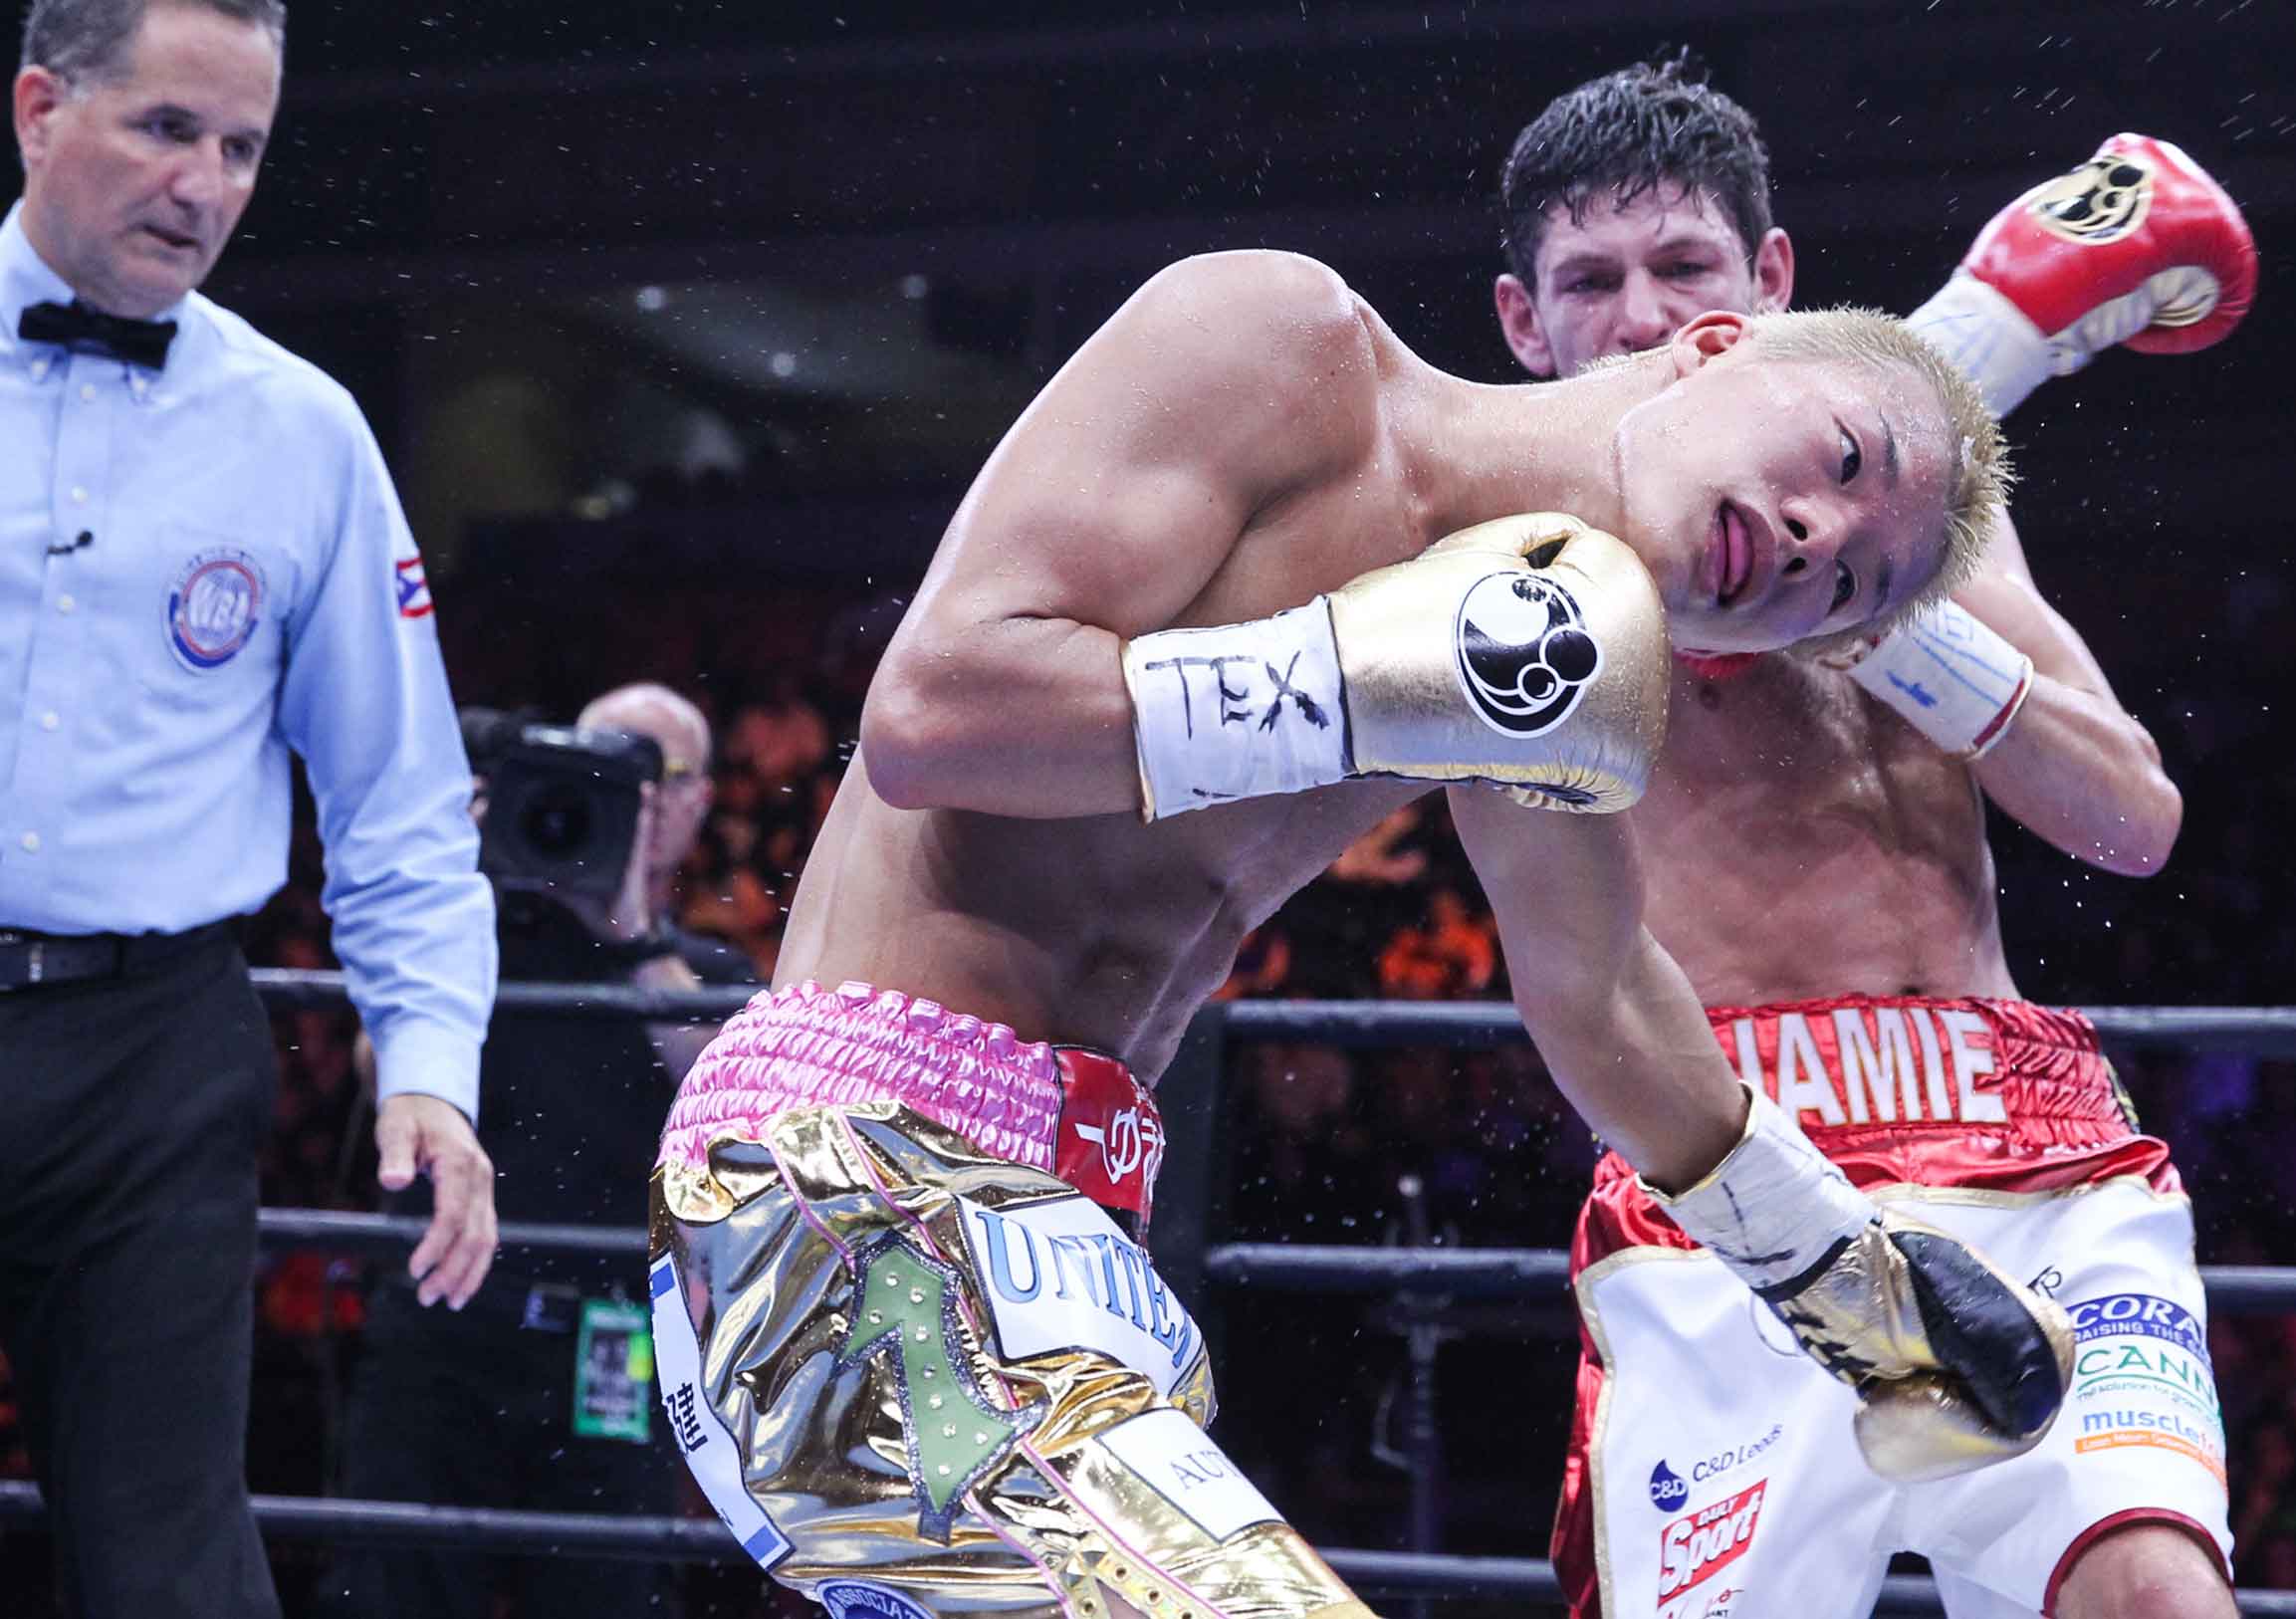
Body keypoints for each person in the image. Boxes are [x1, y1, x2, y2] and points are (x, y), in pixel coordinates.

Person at [649, 241, 2076, 1619]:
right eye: (1839, 457)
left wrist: (1853, 1287)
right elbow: (934, 716)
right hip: (850, 1179)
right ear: (1714, 346)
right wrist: (1351, 682)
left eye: (1842, 588)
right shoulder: (1278, 345)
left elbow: (1604, 1000)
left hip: (1069, 1231)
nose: (1816, 538)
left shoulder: (1555, 670)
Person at [1489, 61, 2257, 1619]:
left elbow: (2132, 817)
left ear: (1761, 283)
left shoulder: (1914, 499)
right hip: (1734, 1176)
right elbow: (1658, 615)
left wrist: (1882, 607)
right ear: (1525, 325)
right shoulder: (1504, 559)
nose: (1638, 316)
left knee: (2159, 1599)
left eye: (1682, 266)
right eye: (1590, 282)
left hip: (2027, 1136)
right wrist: (1992, 339)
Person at [0, 2, 498, 1613]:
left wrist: (428, 1058)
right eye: (166, 129)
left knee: (170, 1566)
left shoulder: (302, 433)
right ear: (37, 110)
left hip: (151, 1060)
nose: (205, 184)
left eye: (242, 148)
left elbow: (397, 789)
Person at [322, 683, 758, 1619]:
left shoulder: (708, 976)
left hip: (614, 1339)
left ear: (697, 800)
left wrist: (630, 935)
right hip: (446, 1315)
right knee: (393, 1591)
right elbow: (376, 1073)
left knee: (606, 1596)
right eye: (597, 761)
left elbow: (729, 1110)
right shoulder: (463, 948)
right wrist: (459, 878)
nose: (622, 793)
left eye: (651, 772)